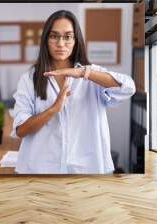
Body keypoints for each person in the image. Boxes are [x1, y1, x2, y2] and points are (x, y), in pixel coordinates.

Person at [10, 10, 136, 174]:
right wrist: (53, 109)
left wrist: (84, 73)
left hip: (86, 170)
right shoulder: (29, 79)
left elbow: (128, 87)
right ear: (46, 40)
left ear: (76, 41)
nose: (60, 43)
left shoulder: (93, 75)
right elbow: (21, 130)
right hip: (40, 169)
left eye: (67, 37)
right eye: (54, 36)